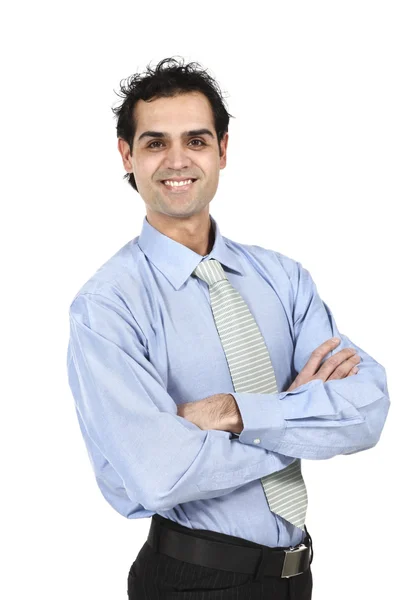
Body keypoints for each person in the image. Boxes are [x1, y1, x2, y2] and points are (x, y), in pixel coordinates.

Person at [66, 57, 390, 599]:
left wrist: (232, 413)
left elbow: (367, 408)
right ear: (127, 155)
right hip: (192, 580)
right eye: (154, 143)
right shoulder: (107, 307)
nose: (177, 160)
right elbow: (160, 475)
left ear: (222, 149)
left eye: (195, 140)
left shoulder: (283, 279)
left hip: (298, 575)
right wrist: (297, 419)